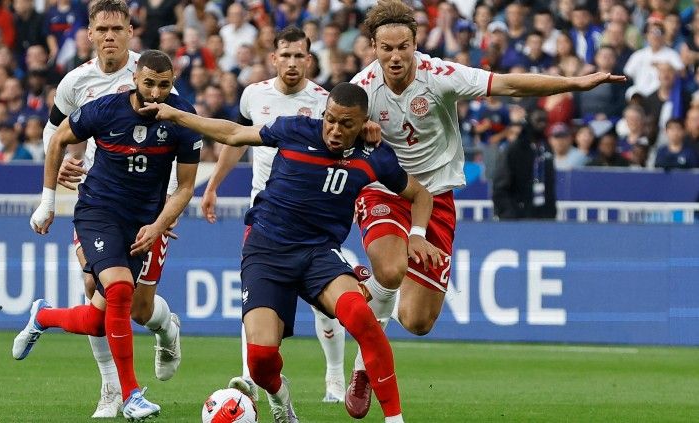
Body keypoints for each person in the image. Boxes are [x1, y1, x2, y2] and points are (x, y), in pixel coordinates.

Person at [346, 0, 627, 417]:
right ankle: (364, 366)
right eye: (386, 48)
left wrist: (574, 84)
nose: (395, 56)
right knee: (390, 269)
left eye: (402, 46)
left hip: (436, 195)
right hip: (385, 191)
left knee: (418, 322)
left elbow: (510, 84)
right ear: (372, 47)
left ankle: (372, 290)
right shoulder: (362, 89)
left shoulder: (440, 76)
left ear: (415, 43)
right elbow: (332, 135)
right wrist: (361, 141)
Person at [143, 82, 445, 423]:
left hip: (319, 254)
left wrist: (417, 234)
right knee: (259, 362)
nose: (334, 129)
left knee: (362, 319)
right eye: (330, 119)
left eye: (347, 124)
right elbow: (234, 134)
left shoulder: (374, 157)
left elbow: (421, 195)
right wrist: (177, 115)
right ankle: (279, 396)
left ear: (364, 124)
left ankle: (394, 418)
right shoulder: (296, 129)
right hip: (267, 252)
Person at [16, 49, 202, 421]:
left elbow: (185, 187)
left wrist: (159, 224)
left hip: (143, 222)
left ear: (172, 85)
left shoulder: (184, 120)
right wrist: (48, 201)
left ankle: (45, 317)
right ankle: (129, 393)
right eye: (148, 83)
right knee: (117, 289)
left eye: (163, 86)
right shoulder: (104, 108)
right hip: (98, 212)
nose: (154, 92)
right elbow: (57, 139)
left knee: (110, 315)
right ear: (136, 79)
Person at [40, 0, 183, 417]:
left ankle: (166, 328)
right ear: (89, 34)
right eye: (101, 29)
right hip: (99, 201)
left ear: (130, 33)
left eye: (117, 29)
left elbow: (176, 136)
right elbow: (55, 132)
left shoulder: (152, 75)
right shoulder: (75, 82)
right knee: (97, 289)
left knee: (138, 308)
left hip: (148, 206)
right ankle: (112, 388)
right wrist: (62, 159)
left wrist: (166, 214)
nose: (109, 36)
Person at [200, 25, 349, 404]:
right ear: (274, 58)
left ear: (310, 60)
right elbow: (238, 141)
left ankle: (334, 375)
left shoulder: (323, 101)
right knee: (255, 297)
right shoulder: (254, 95)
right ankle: (250, 376)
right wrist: (214, 184)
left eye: (300, 55)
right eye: (286, 55)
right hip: (264, 216)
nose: (293, 62)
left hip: (311, 217)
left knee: (327, 304)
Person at [492, 109, 557, 220]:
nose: (542, 124)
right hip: (517, 216)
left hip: (544, 215)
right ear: (529, 122)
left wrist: (551, 212)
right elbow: (500, 186)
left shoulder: (546, 147)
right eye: (538, 120)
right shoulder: (514, 149)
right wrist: (509, 213)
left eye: (545, 120)